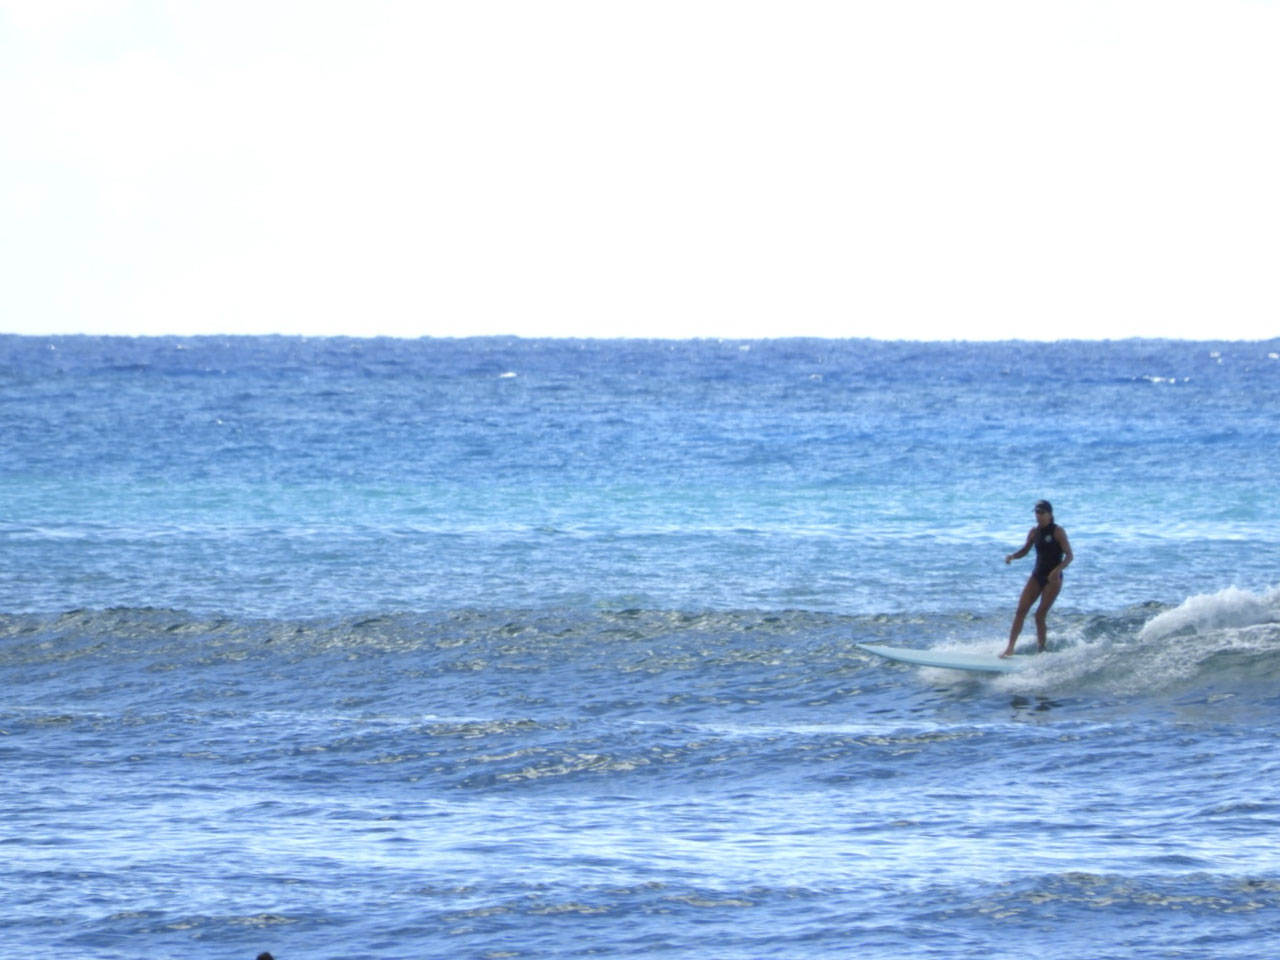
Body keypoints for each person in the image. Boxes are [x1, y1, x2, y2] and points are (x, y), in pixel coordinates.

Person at [1001, 500, 1073, 657]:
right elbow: (1025, 550)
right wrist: (1012, 556)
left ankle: (1041, 650)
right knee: (1021, 610)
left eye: (1042, 513)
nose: (1038, 516)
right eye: (1036, 513)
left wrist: (1057, 570)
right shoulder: (1034, 532)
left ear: (1050, 514)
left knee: (1039, 614)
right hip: (1037, 575)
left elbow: (1069, 555)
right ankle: (1010, 648)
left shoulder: (1058, 531)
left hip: (1053, 578)